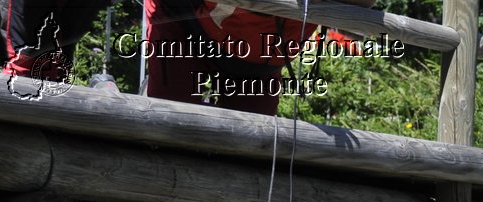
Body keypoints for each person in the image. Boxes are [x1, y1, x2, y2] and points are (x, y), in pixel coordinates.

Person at [144, 0, 374, 113]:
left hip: (257, 59)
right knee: (170, 116)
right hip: (185, 22)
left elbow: (363, 7)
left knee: (252, 144)